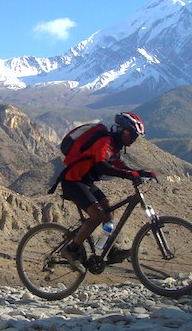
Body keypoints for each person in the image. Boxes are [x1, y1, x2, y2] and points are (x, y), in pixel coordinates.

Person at [59, 112, 155, 272]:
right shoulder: (105, 142)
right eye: (133, 135)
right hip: (72, 181)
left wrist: (140, 172)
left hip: (84, 182)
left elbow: (119, 166)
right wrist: (127, 175)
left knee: (108, 212)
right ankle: (71, 249)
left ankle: (107, 249)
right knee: (98, 215)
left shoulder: (115, 146)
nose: (133, 139)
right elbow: (101, 166)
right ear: (124, 131)